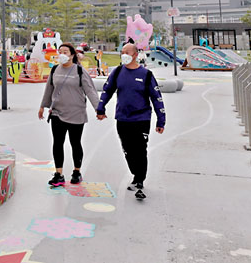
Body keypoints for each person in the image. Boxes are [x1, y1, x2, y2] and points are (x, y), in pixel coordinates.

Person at [96, 41, 165, 201]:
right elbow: (107, 90)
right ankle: (135, 172)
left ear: (135, 55)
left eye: (127, 52)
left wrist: (161, 121)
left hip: (141, 118)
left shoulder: (146, 75)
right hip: (122, 118)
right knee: (127, 150)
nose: (124, 55)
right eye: (122, 52)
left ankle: (139, 179)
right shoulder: (118, 72)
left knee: (140, 149)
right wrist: (101, 107)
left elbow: (156, 98)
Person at [39, 43, 100, 187]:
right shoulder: (55, 70)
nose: (62, 54)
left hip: (76, 113)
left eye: (65, 52)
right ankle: (58, 174)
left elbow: (90, 90)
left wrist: (99, 109)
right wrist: (42, 106)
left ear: (72, 54)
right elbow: (49, 89)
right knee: (57, 143)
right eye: (60, 51)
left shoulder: (79, 71)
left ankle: (76, 171)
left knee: (75, 143)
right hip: (57, 113)